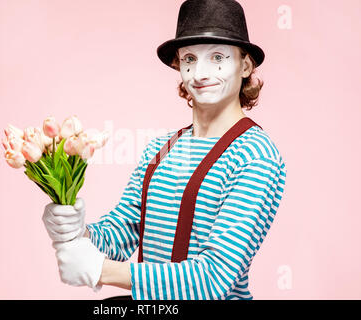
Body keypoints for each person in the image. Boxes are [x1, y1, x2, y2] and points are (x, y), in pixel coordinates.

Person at [42, 0, 287, 300]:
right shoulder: (160, 149)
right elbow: (122, 231)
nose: (200, 73)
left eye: (218, 58)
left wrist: (100, 270)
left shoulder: (256, 155)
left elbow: (213, 277)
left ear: (245, 65)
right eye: (189, 59)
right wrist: (77, 232)